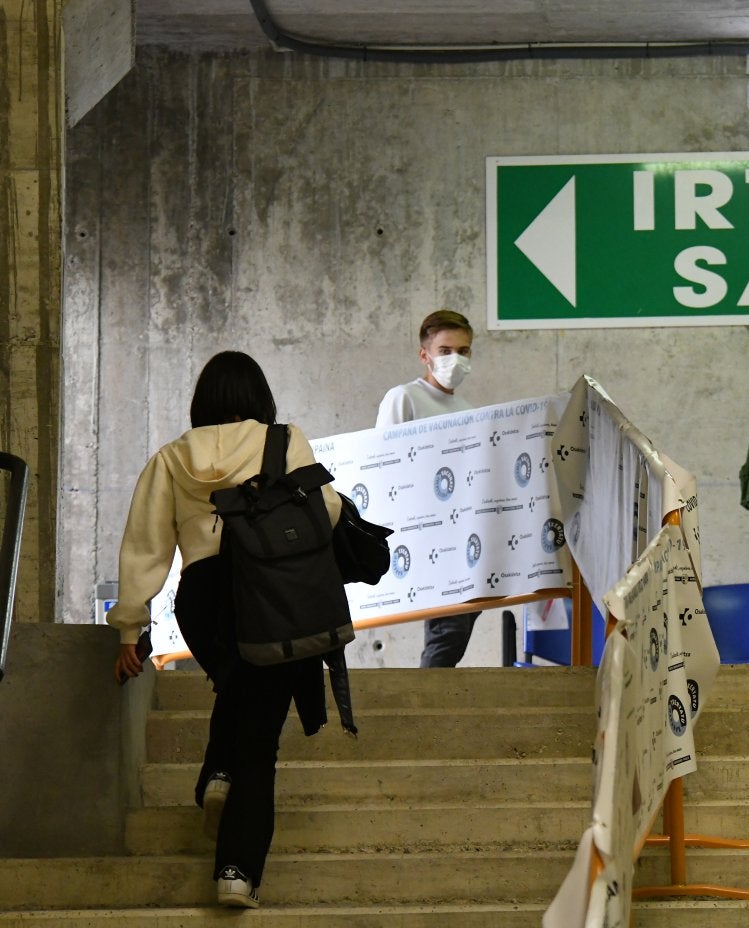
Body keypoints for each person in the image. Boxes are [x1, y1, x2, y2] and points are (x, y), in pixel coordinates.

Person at [107, 351, 344, 909]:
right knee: (260, 737)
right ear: (259, 397)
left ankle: (216, 774)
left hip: (203, 597)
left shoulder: (171, 458)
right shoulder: (282, 441)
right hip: (269, 594)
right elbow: (327, 510)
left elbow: (145, 544)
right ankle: (237, 869)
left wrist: (129, 630)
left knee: (239, 687)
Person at [376, 310, 482, 667]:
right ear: (425, 354)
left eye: (464, 351)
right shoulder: (404, 398)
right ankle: (424, 706)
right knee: (447, 631)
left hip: (463, 535)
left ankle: (429, 697)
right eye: (445, 350)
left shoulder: (468, 410)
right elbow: (383, 465)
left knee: (459, 625)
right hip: (426, 536)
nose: (456, 359)